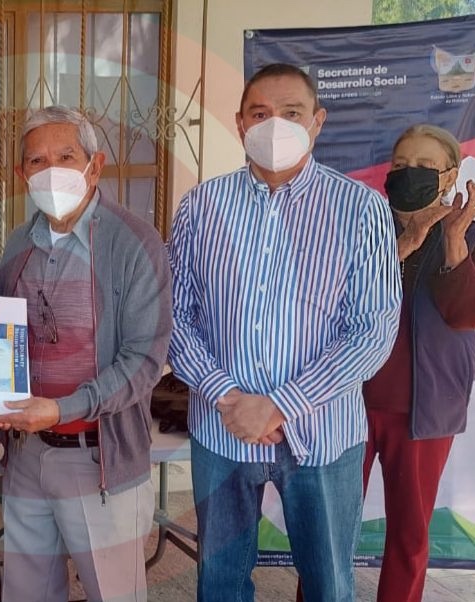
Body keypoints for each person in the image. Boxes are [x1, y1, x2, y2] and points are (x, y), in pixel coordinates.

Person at [168, 63, 401, 602]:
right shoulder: (202, 207)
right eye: (260, 114)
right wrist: (228, 397)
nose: (275, 125)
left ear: (317, 121)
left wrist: (279, 405)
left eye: (292, 113)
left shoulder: (360, 208)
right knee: (220, 584)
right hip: (221, 431)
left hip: (323, 434)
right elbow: (176, 317)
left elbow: (373, 330)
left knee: (329, 585)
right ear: (240, 124)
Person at [0, 105, 172, 601]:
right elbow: (6, 345)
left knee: (113, 592)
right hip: (28, 456)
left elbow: (144, 361)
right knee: (27, 593)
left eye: (66, 156)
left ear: (95, 165)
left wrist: (62, 409)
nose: (51, 171)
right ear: (22, 175)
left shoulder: (134, 244)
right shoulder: (17, 247)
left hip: (98, 456)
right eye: (37, 161)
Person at [362, 124, 475, 602]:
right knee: (328, 526)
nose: (412, 173)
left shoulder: (467, 230)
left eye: (426, 166)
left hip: (424, 412)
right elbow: (337, 302)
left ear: (450, 175)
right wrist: (402, 243)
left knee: (409, 536)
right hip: (348, 405)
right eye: (402, 165)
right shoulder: (364, 228)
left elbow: (464, 315)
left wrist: (453, 241)